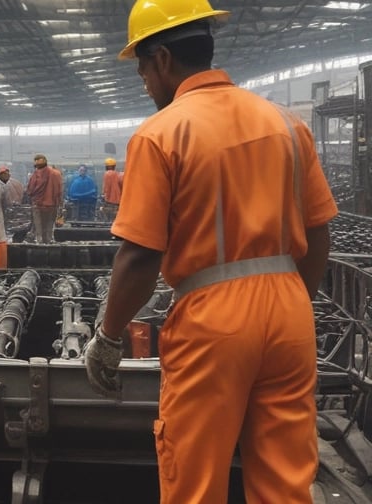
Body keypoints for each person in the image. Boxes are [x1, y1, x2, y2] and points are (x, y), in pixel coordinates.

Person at [83, 2, 337, 503]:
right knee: (287, 478)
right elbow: (319, 231)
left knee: (194, 478)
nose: (142, 81)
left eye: (140, 68)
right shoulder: (285, 123)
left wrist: (109, 336)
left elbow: (138, 256)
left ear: (161, 60)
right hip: (290, 310)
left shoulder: (161, 134)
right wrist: (289, 301)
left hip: (213, 318)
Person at [25, 154, 63, 244]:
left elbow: (30, 190)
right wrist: (59, 204)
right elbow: (59, 191)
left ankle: (40, 243)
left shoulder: (35, 175)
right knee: (49, 226)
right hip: (52, 205)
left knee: (39, 228)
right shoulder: (57, 174)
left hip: (38, 205)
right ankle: (49, 241)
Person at [100, 157, 122, 221]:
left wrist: (103, 195)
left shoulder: (107, 174)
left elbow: (106, 188)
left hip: (109, 202)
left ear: (106, 166)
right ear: (114, 166)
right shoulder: (118, 174)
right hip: (118, 202)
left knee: (108, 218)